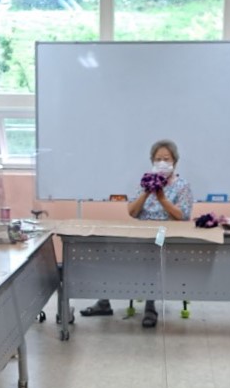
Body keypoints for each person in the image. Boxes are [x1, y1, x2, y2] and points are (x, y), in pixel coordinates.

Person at [81, 139, 193, 328]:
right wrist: (146, 193)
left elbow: (183, 215)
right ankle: (104, 301)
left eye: (166, 159)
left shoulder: (182, 186)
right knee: (111, 252)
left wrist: (162, 199)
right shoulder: (146, 182)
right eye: (158, 159)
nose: (162, 163)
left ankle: (150, 307)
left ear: (175, 161)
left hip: (166, 234)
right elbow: (132, 211)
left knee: (151, 259)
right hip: (142, 232)